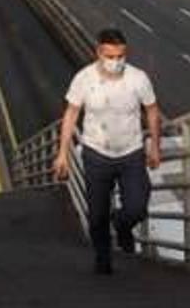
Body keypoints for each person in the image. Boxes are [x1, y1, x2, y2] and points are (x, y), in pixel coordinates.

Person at [53, 28, 161, 275]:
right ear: (98, 53)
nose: (116, 62)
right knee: (97, 216)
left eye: (121, 56)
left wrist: (155, 146)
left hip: (131, 153)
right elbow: (71, 114)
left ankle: (122, 226)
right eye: (110, 56)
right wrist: (62, 154)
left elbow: (152, 111)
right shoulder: (83, 79)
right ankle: (103, 258)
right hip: (96, 154)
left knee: (137, 207)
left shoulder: (138, 78)